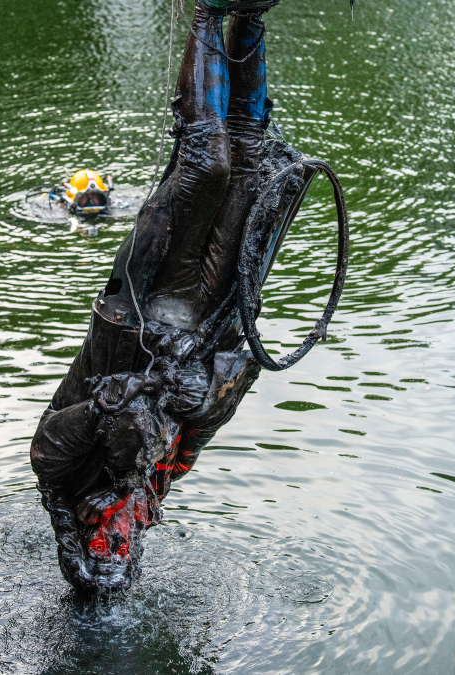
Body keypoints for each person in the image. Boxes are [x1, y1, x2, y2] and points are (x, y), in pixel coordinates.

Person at [29, 0, 338, 593]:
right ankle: (250, 20)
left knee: (206, 168)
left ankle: (206, 15)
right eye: (123, 550)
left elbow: (46, 444)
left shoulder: (63, 484)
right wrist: (209, 395)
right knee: (252, 167)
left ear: (86, 543)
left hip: (139, 307)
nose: (116, 539)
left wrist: (103, 405)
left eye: (104, 546)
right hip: (210, 316)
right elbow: (232, 385)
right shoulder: (155, 482)